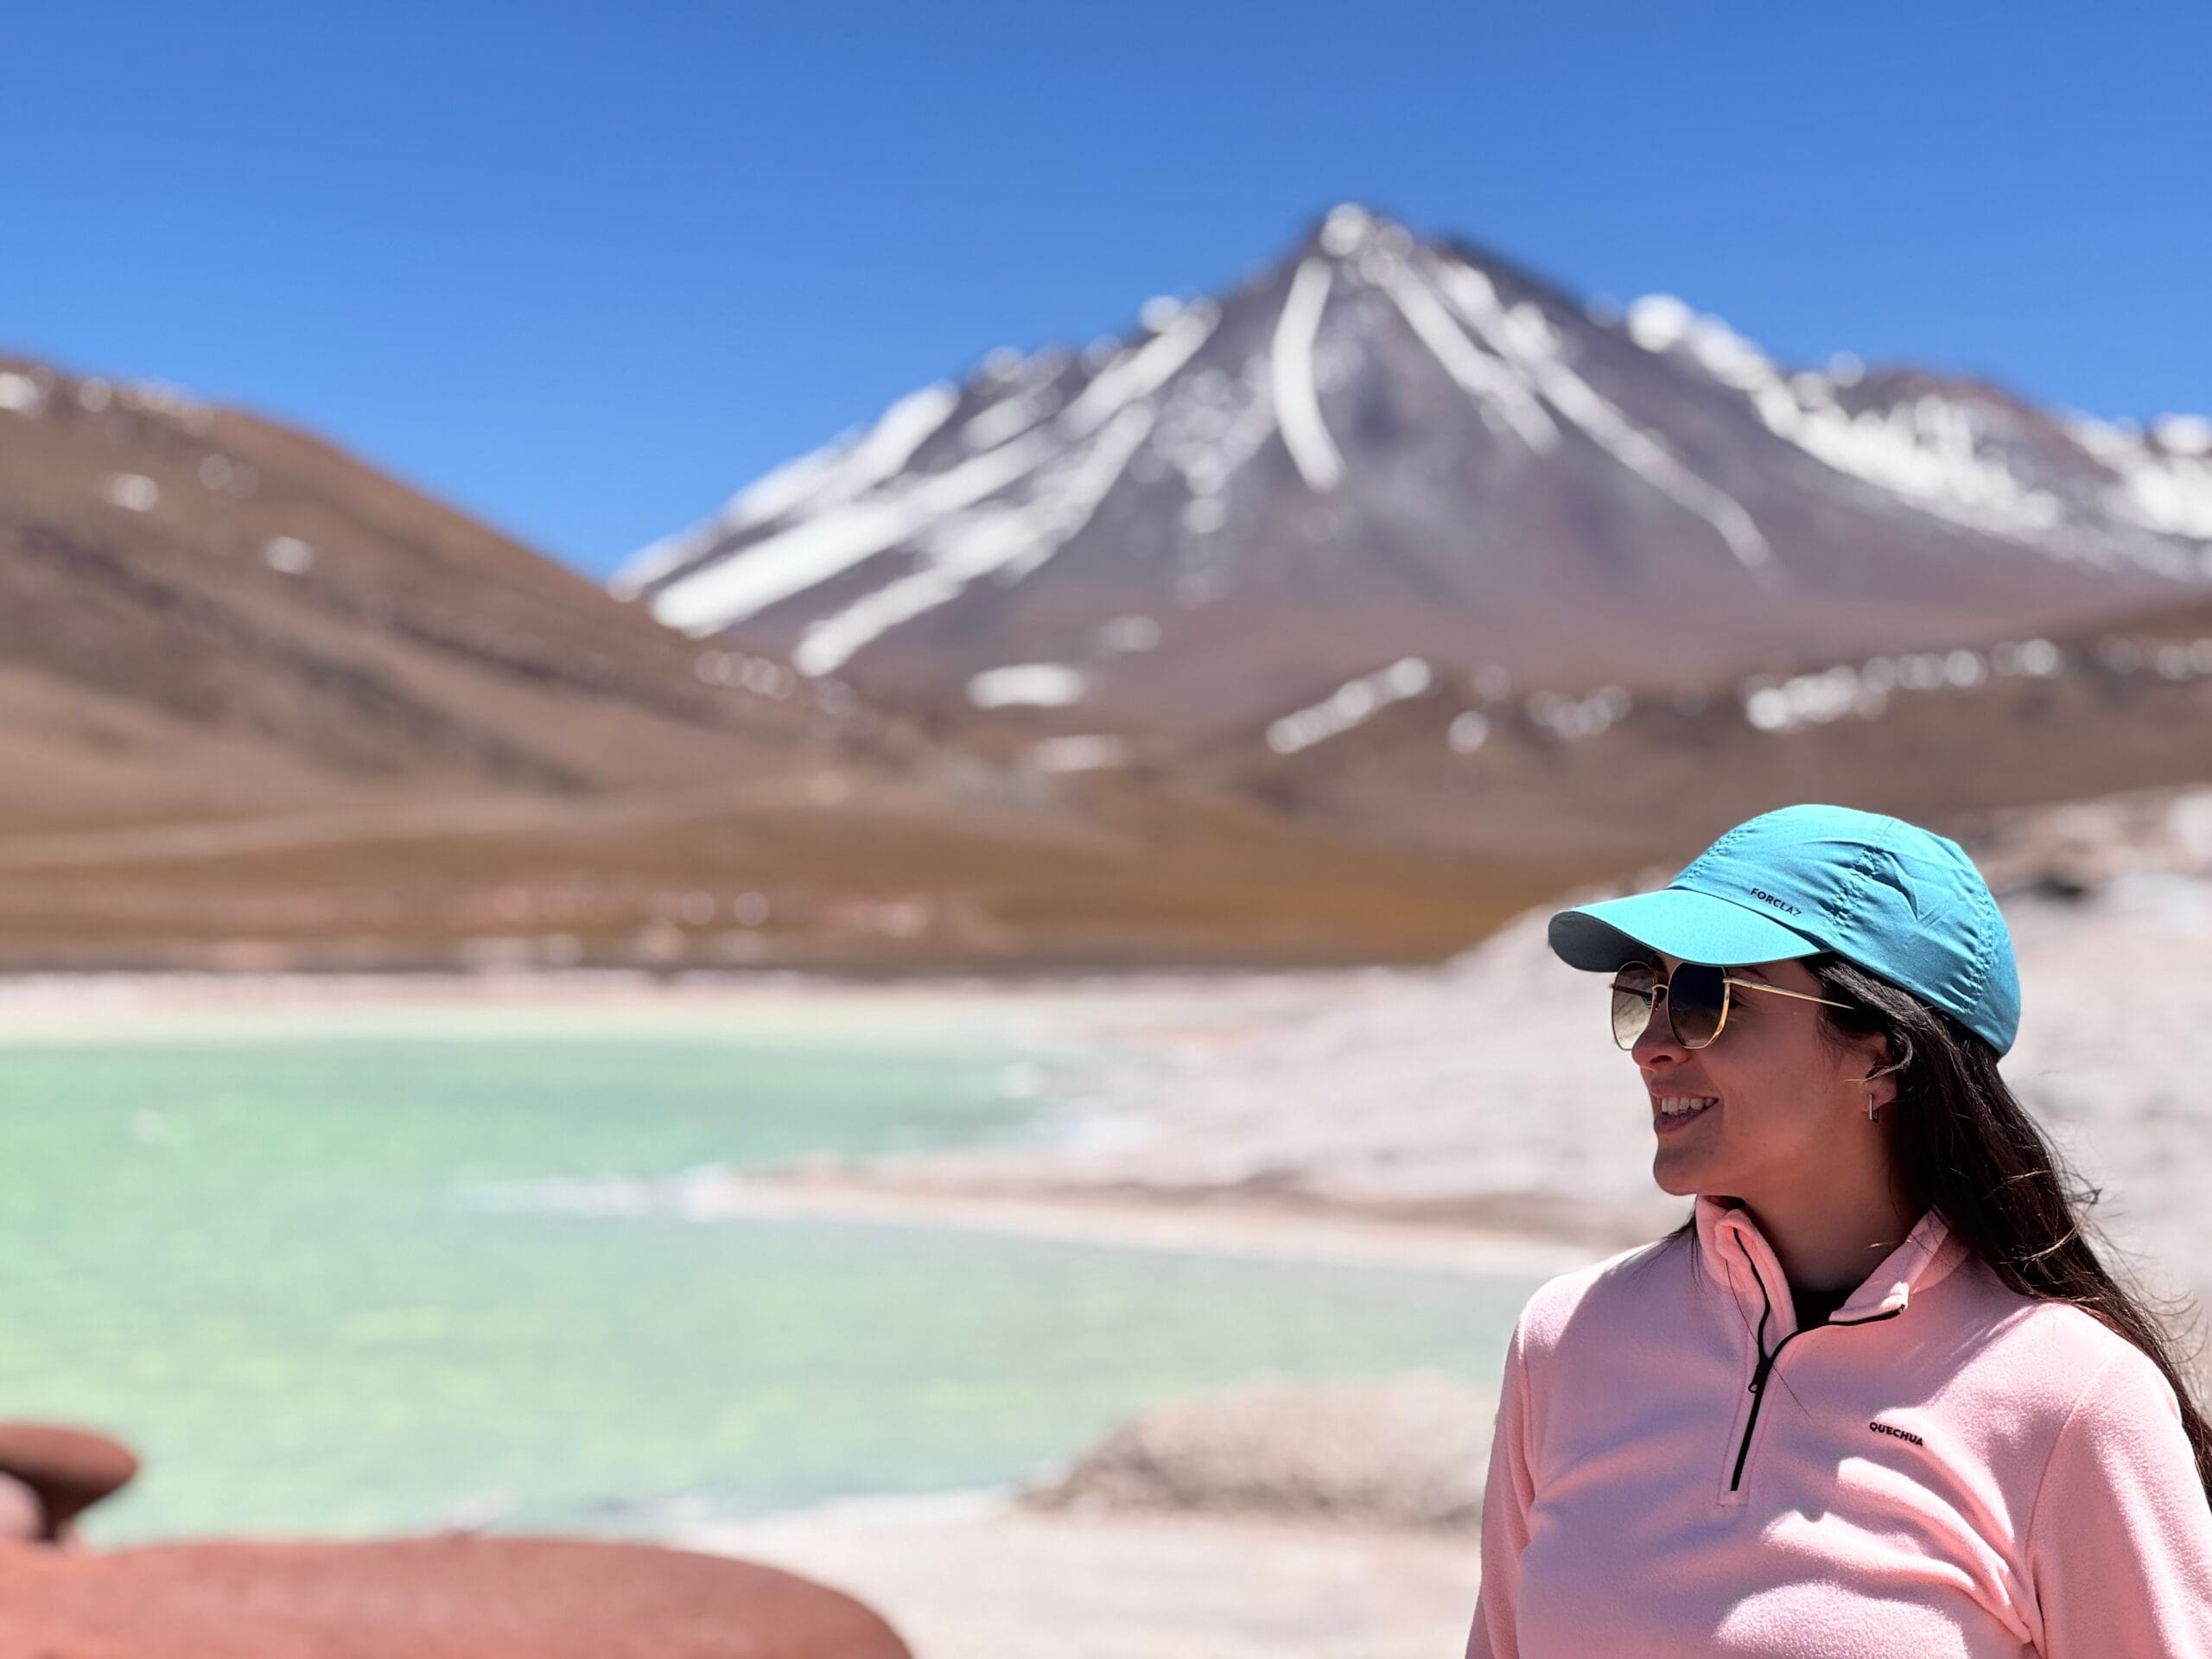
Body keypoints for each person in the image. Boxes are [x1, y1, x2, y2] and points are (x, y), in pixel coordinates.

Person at [1464, 803, 2212, 1658]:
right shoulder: (1568, 1340)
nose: (1653, 1045)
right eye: (1646, 993)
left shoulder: (2074, 1400)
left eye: (1711, 997)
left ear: (1883, 1054)